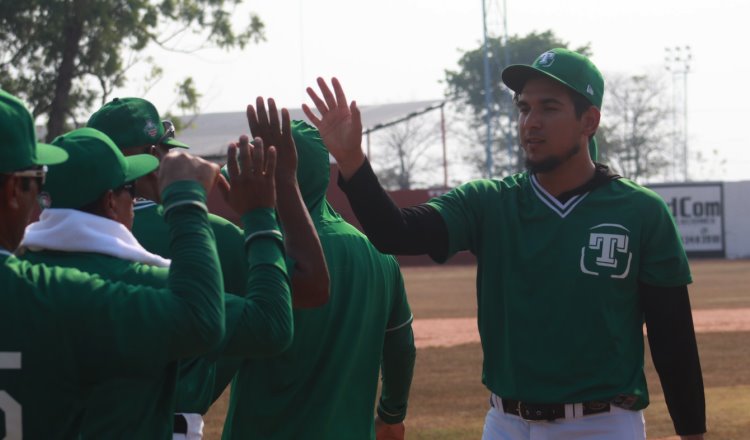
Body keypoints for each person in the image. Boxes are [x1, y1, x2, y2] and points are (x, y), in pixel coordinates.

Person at [301, 48, 705, 440]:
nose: (531, 122)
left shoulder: (640, 212)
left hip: (600, 425)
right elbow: (396, 232)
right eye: (524, 107)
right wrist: (353, 161)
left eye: (549, 107)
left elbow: (674, 339)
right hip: (506, 423)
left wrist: (691, 433)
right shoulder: (488, 202)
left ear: (589, 121)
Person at [19, 127, 293, 438]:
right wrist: (259, 216)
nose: (135, 201)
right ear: (111, 202)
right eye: (130, 191)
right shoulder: (144, 288)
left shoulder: (16, 279)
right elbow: (272, 326)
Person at [87, 97, 329, 437]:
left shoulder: (44, 250)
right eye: (162, 151)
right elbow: (312, 285)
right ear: (150, 155)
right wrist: (281, 184)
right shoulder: (206, 233)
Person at [0, 89, 226, 438]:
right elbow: (202, 319)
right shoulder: (46, 292)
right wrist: (188, 202)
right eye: (35, 180)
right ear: (14, 190)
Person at [221, 98, 416, 440]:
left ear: (280, 178)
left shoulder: (259, 254)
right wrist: (391, 414)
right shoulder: (380, 255)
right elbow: (400, 347)